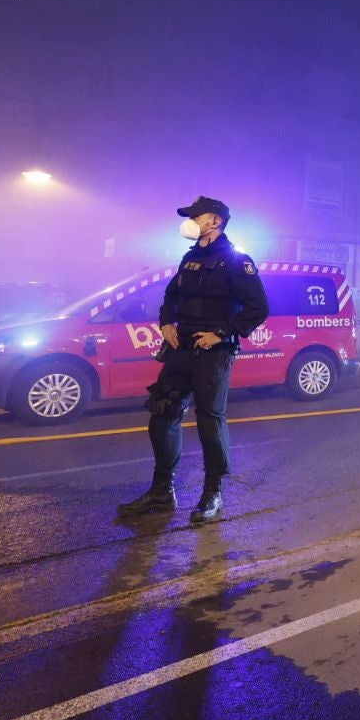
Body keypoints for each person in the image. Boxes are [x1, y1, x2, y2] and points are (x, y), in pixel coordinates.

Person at [118, 195, 269, 524]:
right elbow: (171, 295)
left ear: (214, 221)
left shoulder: (236, 260)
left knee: (209, 420)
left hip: (213, 352)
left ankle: (212, 492)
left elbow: (258, 308)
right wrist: (165, 323)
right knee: (162, 413)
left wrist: (222, 332)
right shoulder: (189, 258)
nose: (188, 221)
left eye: (194, 216)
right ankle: (162, 491)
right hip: (181, 348)